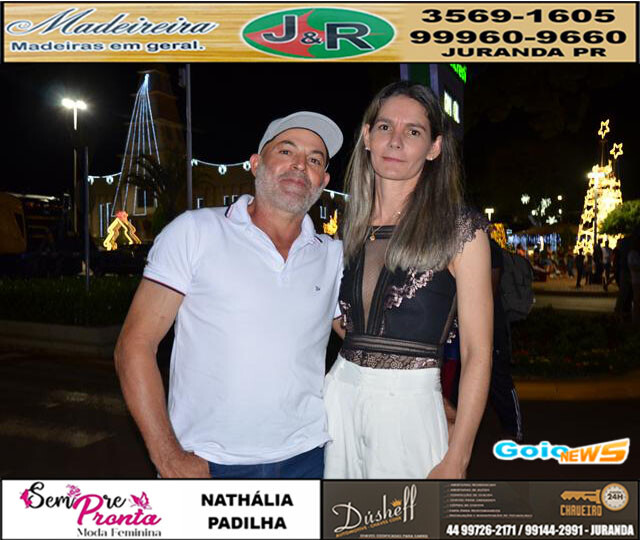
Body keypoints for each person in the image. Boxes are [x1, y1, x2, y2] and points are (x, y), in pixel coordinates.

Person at [115, 112, 344, 479]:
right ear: (256, 164)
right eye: (286, 151)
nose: (300, 165)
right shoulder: (196, 232)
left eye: (315, 160)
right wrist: (168, 459)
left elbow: (369, 340)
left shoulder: (332, 256)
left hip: (307, 459)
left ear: (324, 181)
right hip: (209, 463)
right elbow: (135, 346)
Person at [324, 82, 492, 479]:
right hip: (339, 395)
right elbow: (342, 318)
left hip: (409, 410)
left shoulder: (460, 230)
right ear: (368, 136)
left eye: (413, 131)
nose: (395, 141)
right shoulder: (348, 229)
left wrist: (458, 456)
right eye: (385, 127)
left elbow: (477, 352)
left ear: (434, 147)